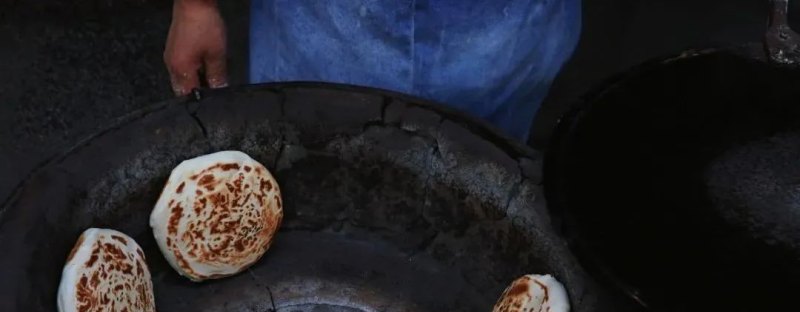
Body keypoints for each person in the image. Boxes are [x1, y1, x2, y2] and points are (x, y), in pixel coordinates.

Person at [164, 0, 581, 142]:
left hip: (499, 34)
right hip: (320, 28)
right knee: (298, 184)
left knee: (476, 187)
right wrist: (196, 5)